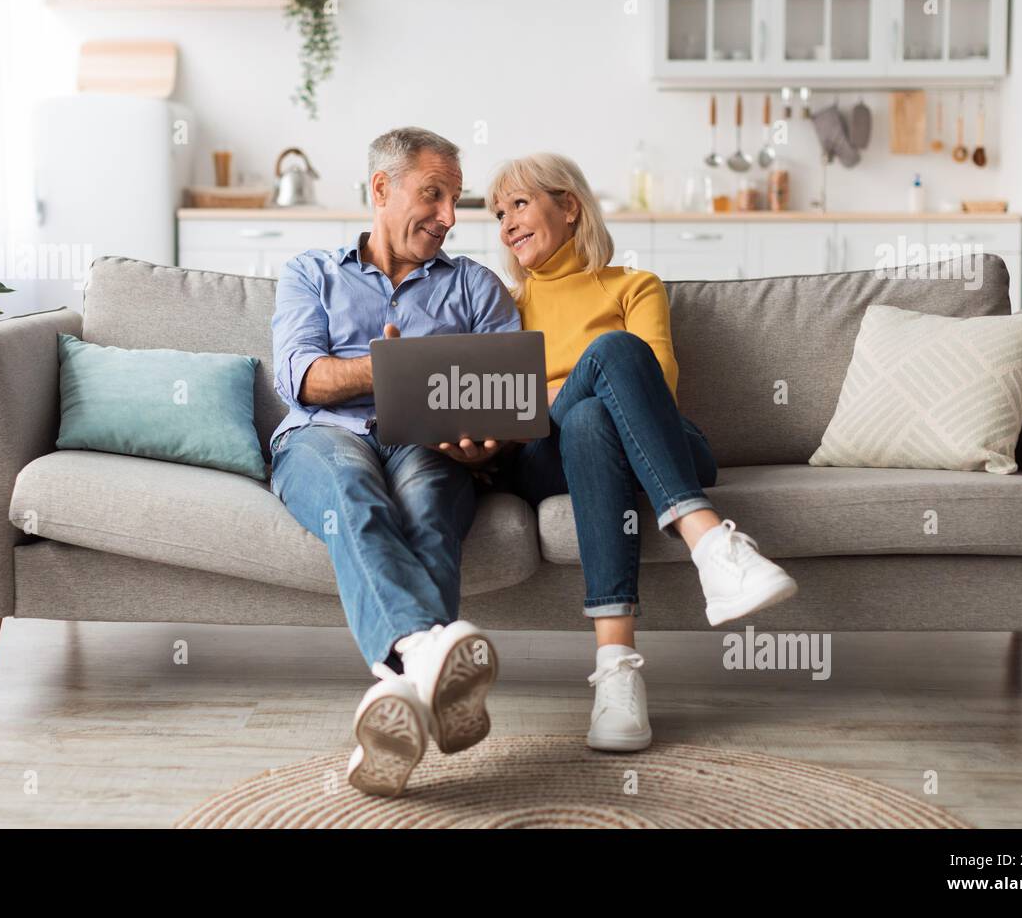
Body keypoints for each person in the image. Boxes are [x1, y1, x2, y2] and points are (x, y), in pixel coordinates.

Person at [487, 152, 799, 753]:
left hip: (658, 439)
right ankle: (711, 544)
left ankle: (618, 679)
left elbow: (656, 381)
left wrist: (569, 386)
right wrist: (572, 382)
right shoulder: (507, 304)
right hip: (542, 455)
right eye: (499, 213)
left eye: (519, 204)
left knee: (594, 413)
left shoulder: (635, 285)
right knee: (595, 382)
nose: (505, 223)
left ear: (569, 206)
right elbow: (507, 402)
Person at [270, 127, 519, 796]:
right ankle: (425, 653)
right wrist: (382, 371)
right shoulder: (310, 272)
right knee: (353, 493)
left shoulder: (476, 287)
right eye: (432, 196)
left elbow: (511, 390)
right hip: (326, 435)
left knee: (431, 509)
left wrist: (490, 438)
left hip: (427, 441)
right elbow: (300, 377)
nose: (448, 218)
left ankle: (398, 693)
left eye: (455, 201)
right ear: (381, 189)